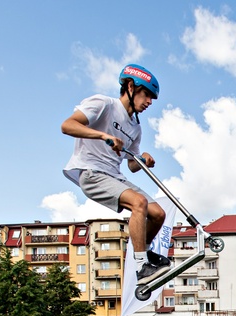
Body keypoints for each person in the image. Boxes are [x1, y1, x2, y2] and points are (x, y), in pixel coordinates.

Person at [61, 63, 170, 285]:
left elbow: (131, 165)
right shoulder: (104, 104)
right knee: (138, 202)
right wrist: (103, 136)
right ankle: (141, 268)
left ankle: (144, 255)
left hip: (115, 176)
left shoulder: (135, 128)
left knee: (158, 213)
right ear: (131, 86)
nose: (149, 102)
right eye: (146, 95)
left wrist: (144, 159)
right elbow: (67, 125)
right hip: (91, 172)